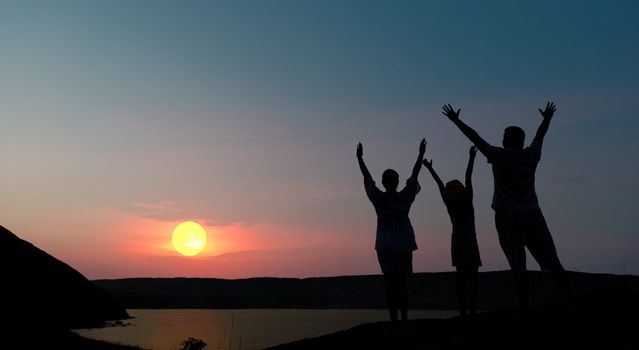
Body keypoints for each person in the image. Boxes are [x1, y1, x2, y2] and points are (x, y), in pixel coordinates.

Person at [442, 102, 572, 312]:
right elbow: (540, 137)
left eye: (503, 136)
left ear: (507, 139)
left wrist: (456, 120)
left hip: (507, 218)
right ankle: (570, 299)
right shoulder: (530, 156)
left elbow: (474, 137)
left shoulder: (498, 156)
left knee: (518, 265)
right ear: (521, 141)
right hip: (532, 214)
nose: (501, 138)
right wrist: (546, 119)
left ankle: (524, 307)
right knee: (552, 260)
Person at [356, 139, 426, 330]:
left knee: (390, 284)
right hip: (403, 243)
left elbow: (367, 179)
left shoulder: (379, 198)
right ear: (396, 181)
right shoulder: (405, 197)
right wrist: (420, 154)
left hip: (385, 244)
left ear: (384, 182)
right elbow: (415, 174)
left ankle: (394, 320)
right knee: (401, 283)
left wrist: (360, 159)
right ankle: (404, 319)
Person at [423, 145, 481, 318]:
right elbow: (468, 177)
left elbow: (441, 184)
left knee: (462, 280)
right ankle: (469, 311)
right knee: (471, 280)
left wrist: (430, 169)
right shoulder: (466, 201)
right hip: (469, 242)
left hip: (459, 243)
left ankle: (465, 311)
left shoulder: (451, 204)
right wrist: (471, 158)